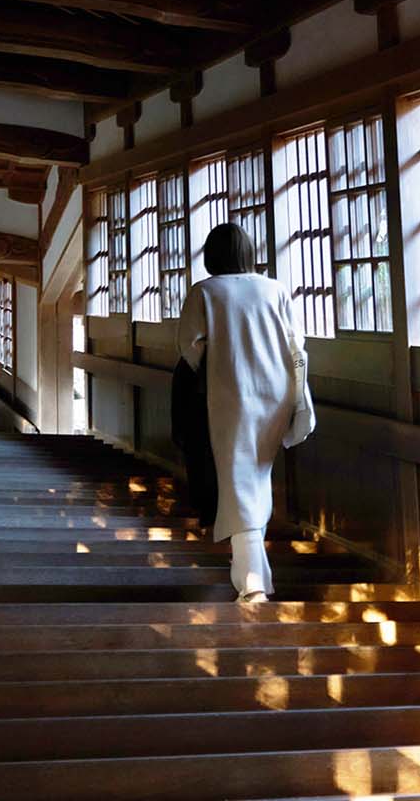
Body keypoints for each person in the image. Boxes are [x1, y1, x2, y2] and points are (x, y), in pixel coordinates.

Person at [175, 224, 308, 603]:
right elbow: (296, 345)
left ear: (211, 255)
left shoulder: (206, 291)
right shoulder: (275, 289)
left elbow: (191, 346)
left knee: (238, 481)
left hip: (230, 392)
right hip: (275, 393)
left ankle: (252, 583)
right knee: (255, 478)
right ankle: (253, 577)